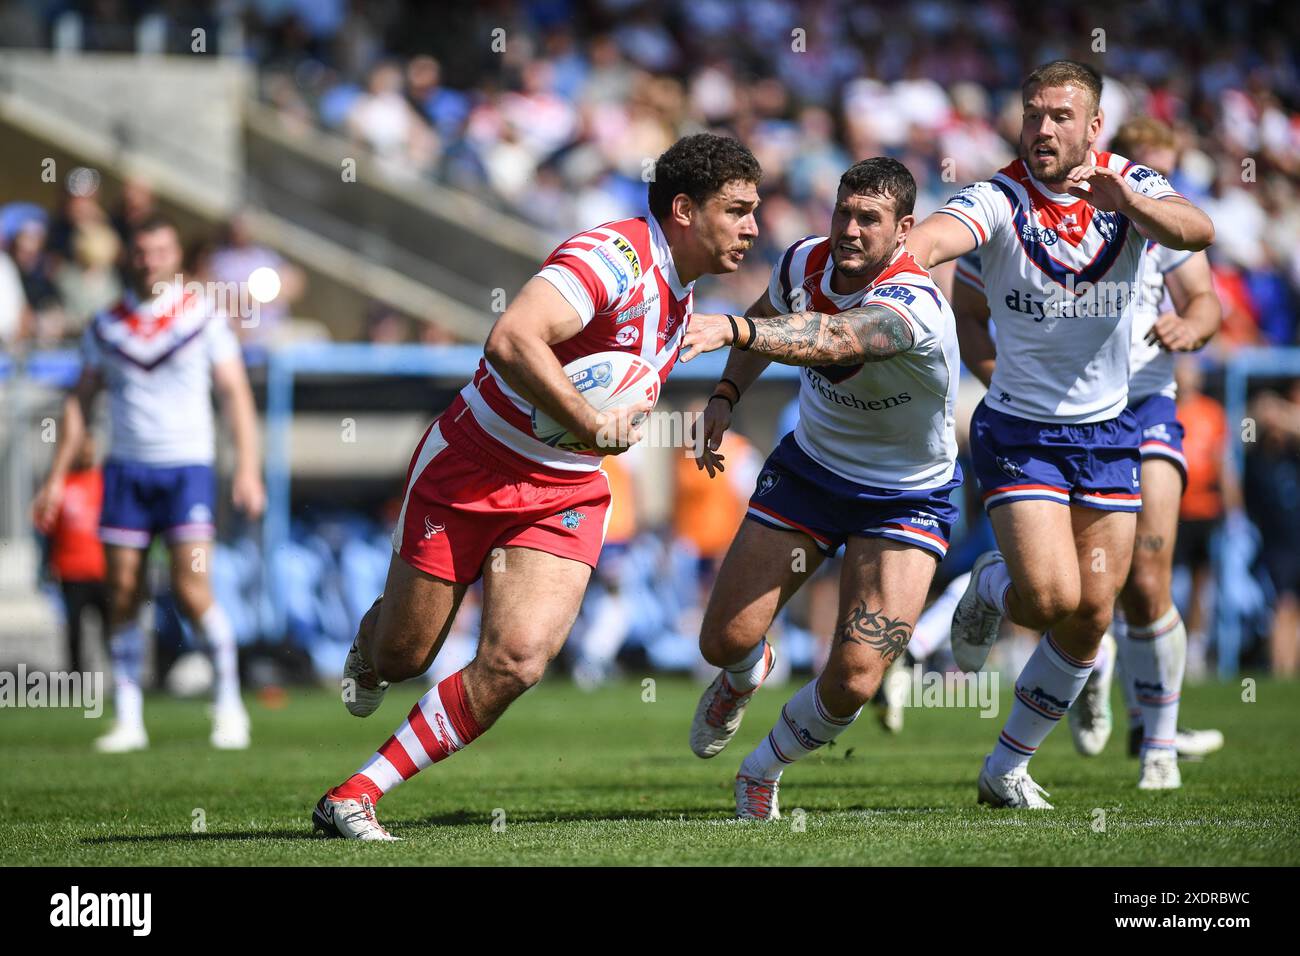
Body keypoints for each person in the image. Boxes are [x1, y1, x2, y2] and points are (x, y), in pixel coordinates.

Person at [311, 133, 761, 840]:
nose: (753, 226)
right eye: (737, 210)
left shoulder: (685, 296)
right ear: (684, 209)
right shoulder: (610, 257)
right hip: (471, 466)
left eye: (754, 211)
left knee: (518, 659)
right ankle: (371, 648)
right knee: (405, 656)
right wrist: (588, 418)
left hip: (567, 488)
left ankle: (355, 794)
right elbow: (512, 337)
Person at [905, 60, 1214, 808]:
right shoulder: (998, 195)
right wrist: (903, 260)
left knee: (1093, 613)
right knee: (1047, 600)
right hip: (1022, 432)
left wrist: (1132, 205)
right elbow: (939, 239)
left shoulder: (1133, 185)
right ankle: (989, 588)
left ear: (1093, 126)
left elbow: (1198, 231)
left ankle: (1006, 766)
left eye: (1060, 116)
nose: (1043, 129)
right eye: (1033, 114)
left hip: (1111, 433)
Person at [677, 157, 962, 820]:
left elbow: (836, 338)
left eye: (870, 219)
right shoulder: (803, 262)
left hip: (907, 493)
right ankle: (746, 673)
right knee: (720, 641)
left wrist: (734, 328)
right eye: (844, 213)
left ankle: (761, 769)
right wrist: (725, 394)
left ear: (904, 230)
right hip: (812, 471)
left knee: (856, 677)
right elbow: (767, 314)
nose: (852, 230)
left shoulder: (913, 305)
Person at [32, 216, 265, 752]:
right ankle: (130, 716)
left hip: (187, 470)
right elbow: (79, 402)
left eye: (160, 249)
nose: (149, 259)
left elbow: (234, 394)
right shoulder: (105, 325)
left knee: (191, 588)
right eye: (141, 251)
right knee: (123, 591)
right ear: (127, 257)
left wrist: (248, 467)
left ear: (175, 254)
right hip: (126, 473)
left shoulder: (203, 315)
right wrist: (54, 477)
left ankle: (229, 703)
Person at [37, 434, 109, 674]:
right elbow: (46, 529)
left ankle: (121, 679)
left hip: (102, 570)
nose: (86, 453)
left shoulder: (104, 482)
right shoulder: (61, 484)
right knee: (74, 629)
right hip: (71, 572)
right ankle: (75, 678)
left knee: (111, 628)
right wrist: (46, 566)